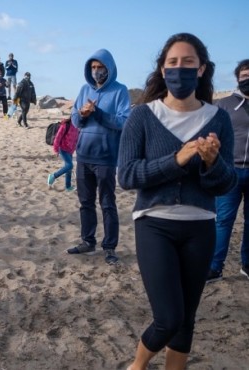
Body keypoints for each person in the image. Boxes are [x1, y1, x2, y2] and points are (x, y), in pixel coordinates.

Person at [118, 33, 237, 370]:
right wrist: (178, 159)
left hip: (201, 227)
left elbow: (224, 185)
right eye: (173, 63)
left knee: (186, 319)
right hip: (154, 224)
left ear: (201, 70)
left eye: (188, 63)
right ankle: (136, 366)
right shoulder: (142, 116)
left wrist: (213, 164)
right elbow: (126, 176)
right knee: (168, 318)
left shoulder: (218, 119)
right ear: (162, 68)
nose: (180, 69)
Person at [67, 49, 130, 265]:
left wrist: (98, 113)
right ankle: (88, 241)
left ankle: (110, 247)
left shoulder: (120, 91)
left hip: (106, 157)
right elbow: (75, 119)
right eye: (93, 67)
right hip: (83, 155)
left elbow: (123, 121)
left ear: (108, 68)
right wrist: (82, 114)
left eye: (100, 67)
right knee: (85, 202)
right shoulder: (85, 89)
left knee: (107, 203)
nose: (96, 71)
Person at [207, 59, 249, 283]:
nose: (247, 79)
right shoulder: (224, 105)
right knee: (223, 220)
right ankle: (215, 266)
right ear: (238, 79)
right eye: (244, 76)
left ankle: (247, 264)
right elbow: (212, 133)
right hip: (230, 171)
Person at [47, 117, 79, 191]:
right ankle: (53, 176)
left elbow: (77, 140)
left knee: (69, 168)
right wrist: (56, 149)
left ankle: (68, 187)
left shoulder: (78, 127)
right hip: (62, 149)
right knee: (70, 165)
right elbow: (57, 138)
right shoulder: (65, 125)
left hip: (70, 150)